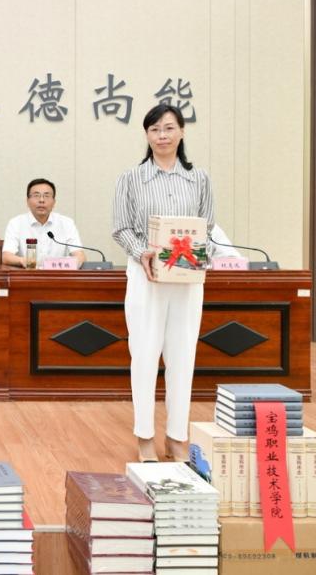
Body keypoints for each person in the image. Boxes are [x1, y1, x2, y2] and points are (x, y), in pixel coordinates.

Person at [112, 103, 214, 463]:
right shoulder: (131, 178)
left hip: (186, 280)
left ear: (182, 132)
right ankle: (144, 437)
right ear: (147, 135)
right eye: (154, 129)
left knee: (183, 357)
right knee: (144, 355)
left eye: (169, 128)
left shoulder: (199, 179)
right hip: (147, 277)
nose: (162, 136)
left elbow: (207, 227)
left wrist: (202, 254)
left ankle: (176, 437)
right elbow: (121, 227)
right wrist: (142, 253)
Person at [1, 178, 86, 268]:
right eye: (36, 195)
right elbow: (6, 257)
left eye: (46, 196)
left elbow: (80, 256)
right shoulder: (16, 223)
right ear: (27, 201)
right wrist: (23, 260)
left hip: (58, 275)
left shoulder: (66, 223)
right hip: (28, 274)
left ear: (54, 202)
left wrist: (63, 265)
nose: (41, 200)